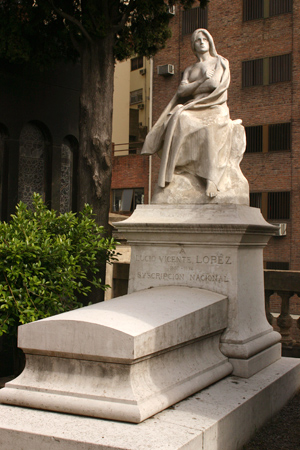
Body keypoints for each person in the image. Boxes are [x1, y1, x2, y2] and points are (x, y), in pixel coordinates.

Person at [141, 29, 232, 198]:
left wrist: (197, 85)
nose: (202, 41)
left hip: (214, 105)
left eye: (205, 38)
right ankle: (176, 169)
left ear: (210, 41)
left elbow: (214, 85)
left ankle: (211, 179)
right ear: (193, 45)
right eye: (198, 40)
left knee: (210, 127)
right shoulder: (190, 69)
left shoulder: (220, 62)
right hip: (193, 106)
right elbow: (182, 91)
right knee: (179, 118)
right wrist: (201, 80)